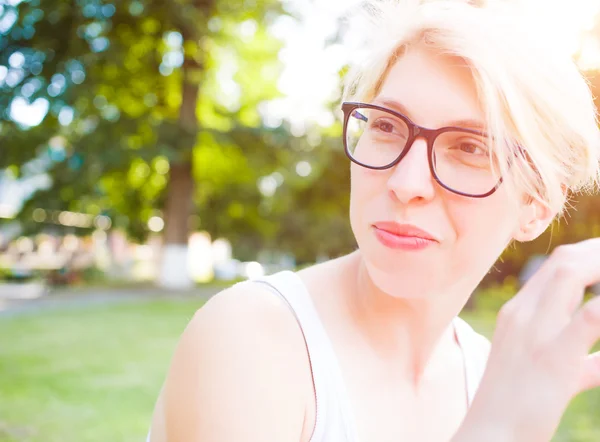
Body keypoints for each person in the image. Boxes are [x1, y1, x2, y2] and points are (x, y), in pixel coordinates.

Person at [148, 0, 600, 441]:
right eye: (386, 126)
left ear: (536, 205)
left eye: (470, 148)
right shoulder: (251, 337)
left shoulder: (492, 380)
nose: (406, 183)